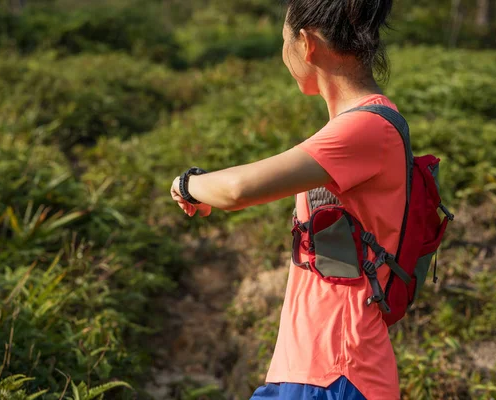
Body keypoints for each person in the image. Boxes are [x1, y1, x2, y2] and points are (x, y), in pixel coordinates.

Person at [170, 0, 401, 398]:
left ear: (306, 44)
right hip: (316, 368)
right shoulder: (357, 125)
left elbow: (238, 190)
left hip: (334, 369)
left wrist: (187, 183)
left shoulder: (365, 128)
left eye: (283, 40)